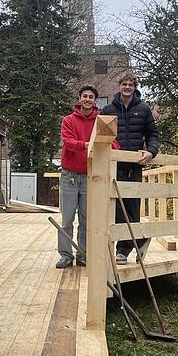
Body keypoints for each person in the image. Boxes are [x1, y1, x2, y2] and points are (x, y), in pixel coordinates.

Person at [56, 85, 118, 268]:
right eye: (85, 96)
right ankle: (66, 255)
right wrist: (87, 145)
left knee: (86, 219)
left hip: (90, 175)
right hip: (69, 176)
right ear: (79, 98)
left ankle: (82, 254)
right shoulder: (68, 120)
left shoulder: (101, 122)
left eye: (91, 97)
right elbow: (67, 141)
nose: (87, 99)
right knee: (67, 219)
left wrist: (108, 147)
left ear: (95, 100)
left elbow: (113, 142)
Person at [101, 74, 159, 264]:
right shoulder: (108, 109)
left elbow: (152, 134)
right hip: (114, 166)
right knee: (116, 208)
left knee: (132, 208)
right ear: (119, 87)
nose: (127, 87)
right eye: (124, 84)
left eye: (130, 84)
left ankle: (123, 251)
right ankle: (137, 241)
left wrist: (151, 151)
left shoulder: (143, 109)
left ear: (134, 88)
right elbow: (101, 135)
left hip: (135, 167)